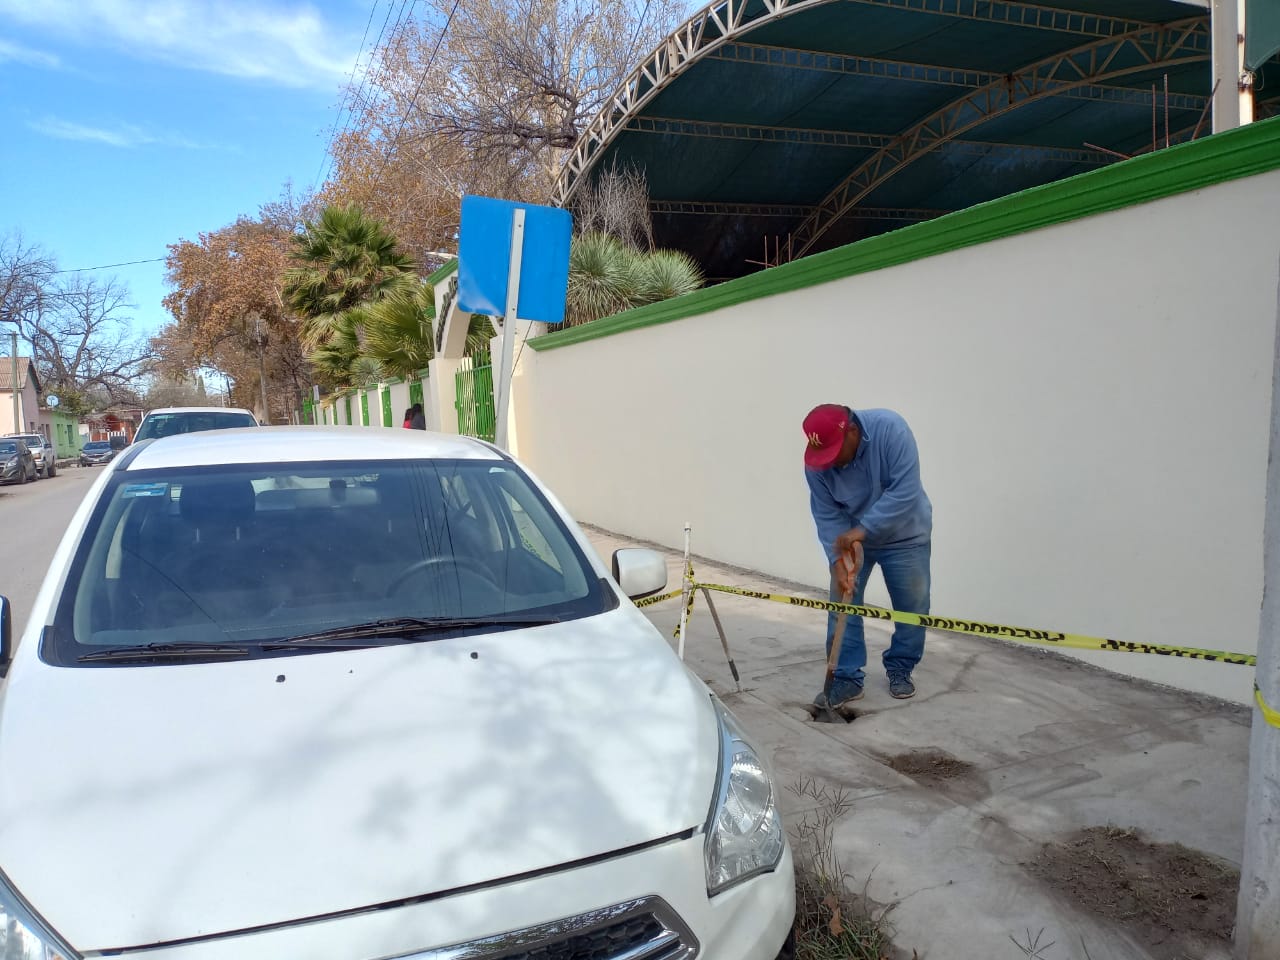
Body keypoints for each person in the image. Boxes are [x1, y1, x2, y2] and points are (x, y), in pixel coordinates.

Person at [802, 403, 932, 706]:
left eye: (835, 454)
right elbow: (825, 511)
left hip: (905, 536)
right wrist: (836, 560)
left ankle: (901, 668)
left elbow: (906, 490)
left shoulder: (891, 430)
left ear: (852, 432)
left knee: (912, 606)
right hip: (850, 538)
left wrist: (864, 529)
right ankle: (846, 678)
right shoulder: (817, 463)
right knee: (842, 604)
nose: (830, 464)